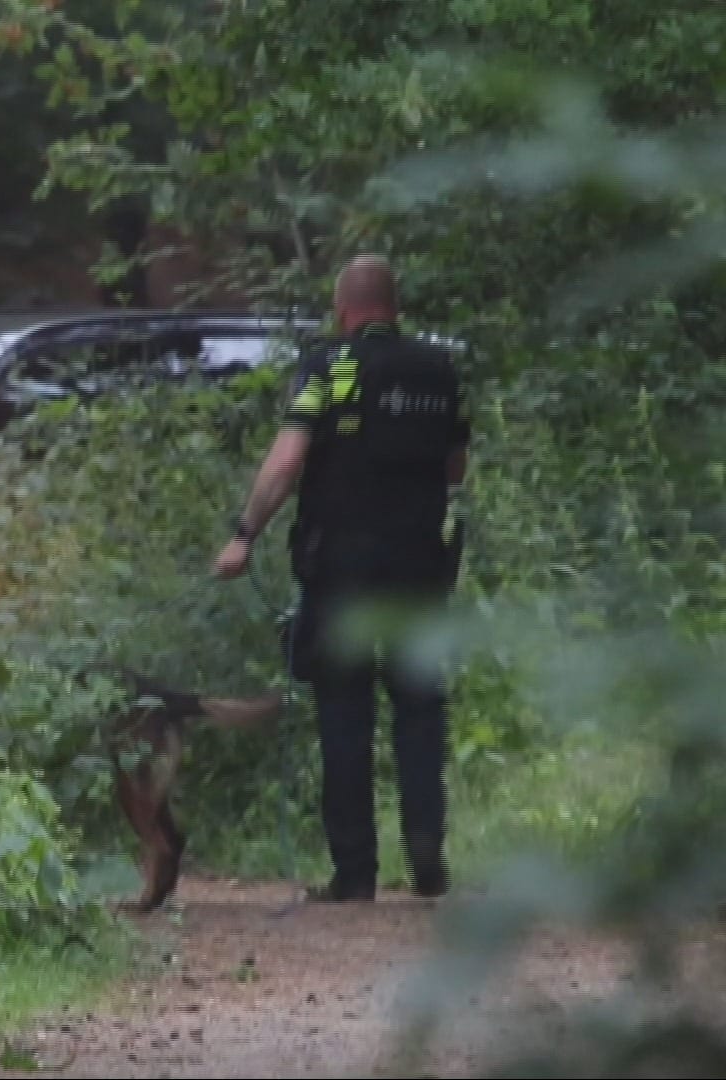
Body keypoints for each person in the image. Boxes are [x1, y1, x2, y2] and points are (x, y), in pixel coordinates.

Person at [213, 254, 470, 902]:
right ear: (395, 307)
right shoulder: (440, 370)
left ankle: (354, 873)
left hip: (342, 569)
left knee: (345, 711)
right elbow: (455, 468)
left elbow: (289, 458)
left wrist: (245, 533)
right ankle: (427, 857)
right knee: (419, 708)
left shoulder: (329, 365)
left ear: (343, 310)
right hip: (419, 564)